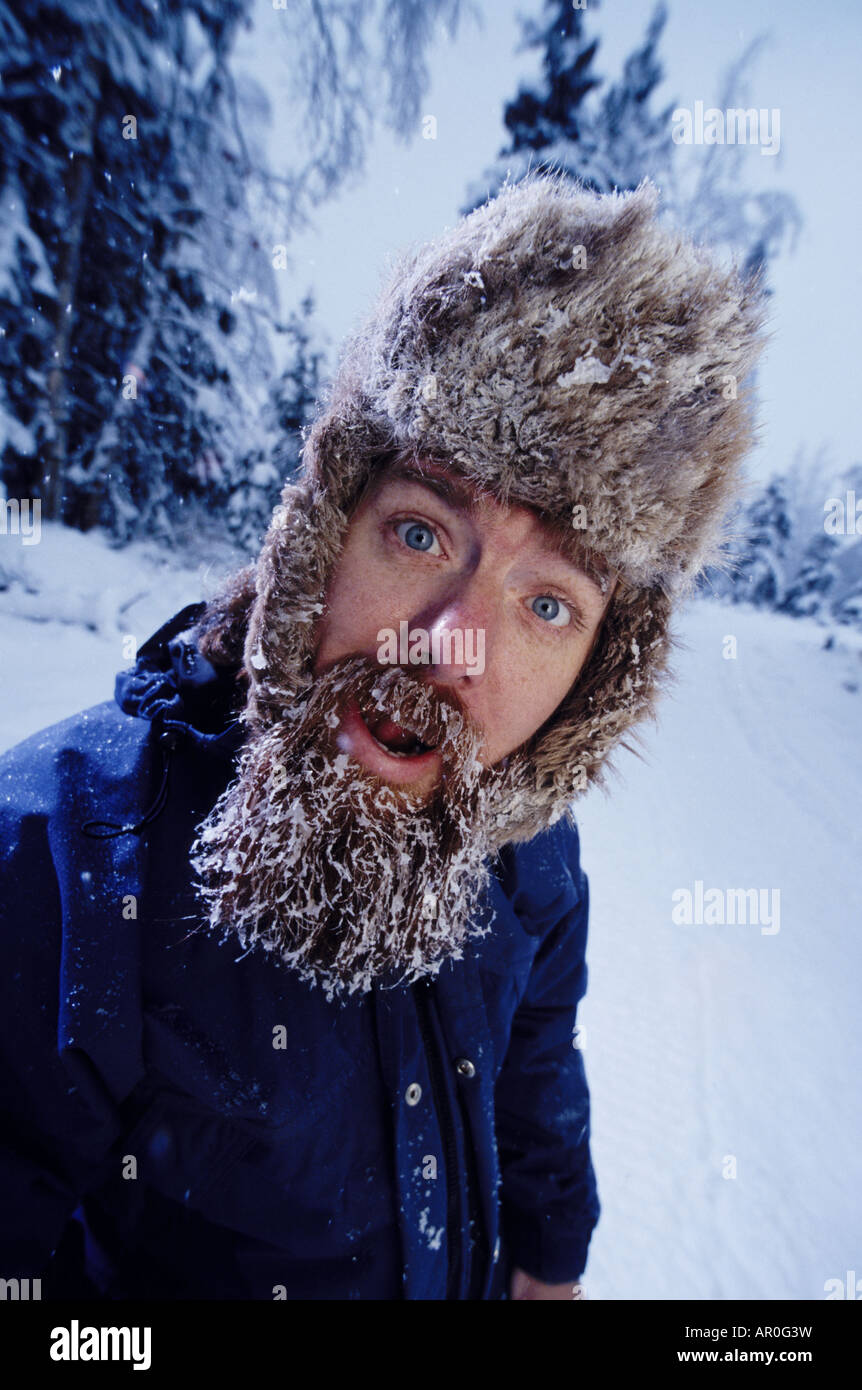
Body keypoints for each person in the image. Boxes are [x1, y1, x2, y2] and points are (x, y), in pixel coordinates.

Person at [0, 172, 766, 1300]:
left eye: (547, 604)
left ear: (593, 681)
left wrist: (550, 1264)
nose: (449, 647)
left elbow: (537, 1075)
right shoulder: (55, 864)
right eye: (418, 530)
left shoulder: (530, 845)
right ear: (324, 528)